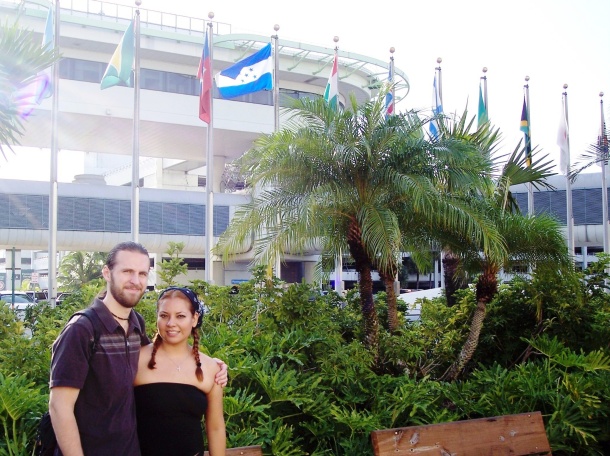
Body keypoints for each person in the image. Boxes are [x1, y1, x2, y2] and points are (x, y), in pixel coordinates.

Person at [48, 241, 228, 456]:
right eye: (127, 271)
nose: (135, 281)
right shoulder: (82, 329)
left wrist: (215, 366)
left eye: (142, 273)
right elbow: (60, 407)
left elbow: (164, 360)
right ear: (107, 272)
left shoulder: (135, 326)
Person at [135, 287, 225, 456]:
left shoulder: (209, 368)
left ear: (194, 319)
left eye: (180, 316)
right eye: (164, 316)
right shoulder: (136, 360)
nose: (171, 323)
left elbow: (215, 427)